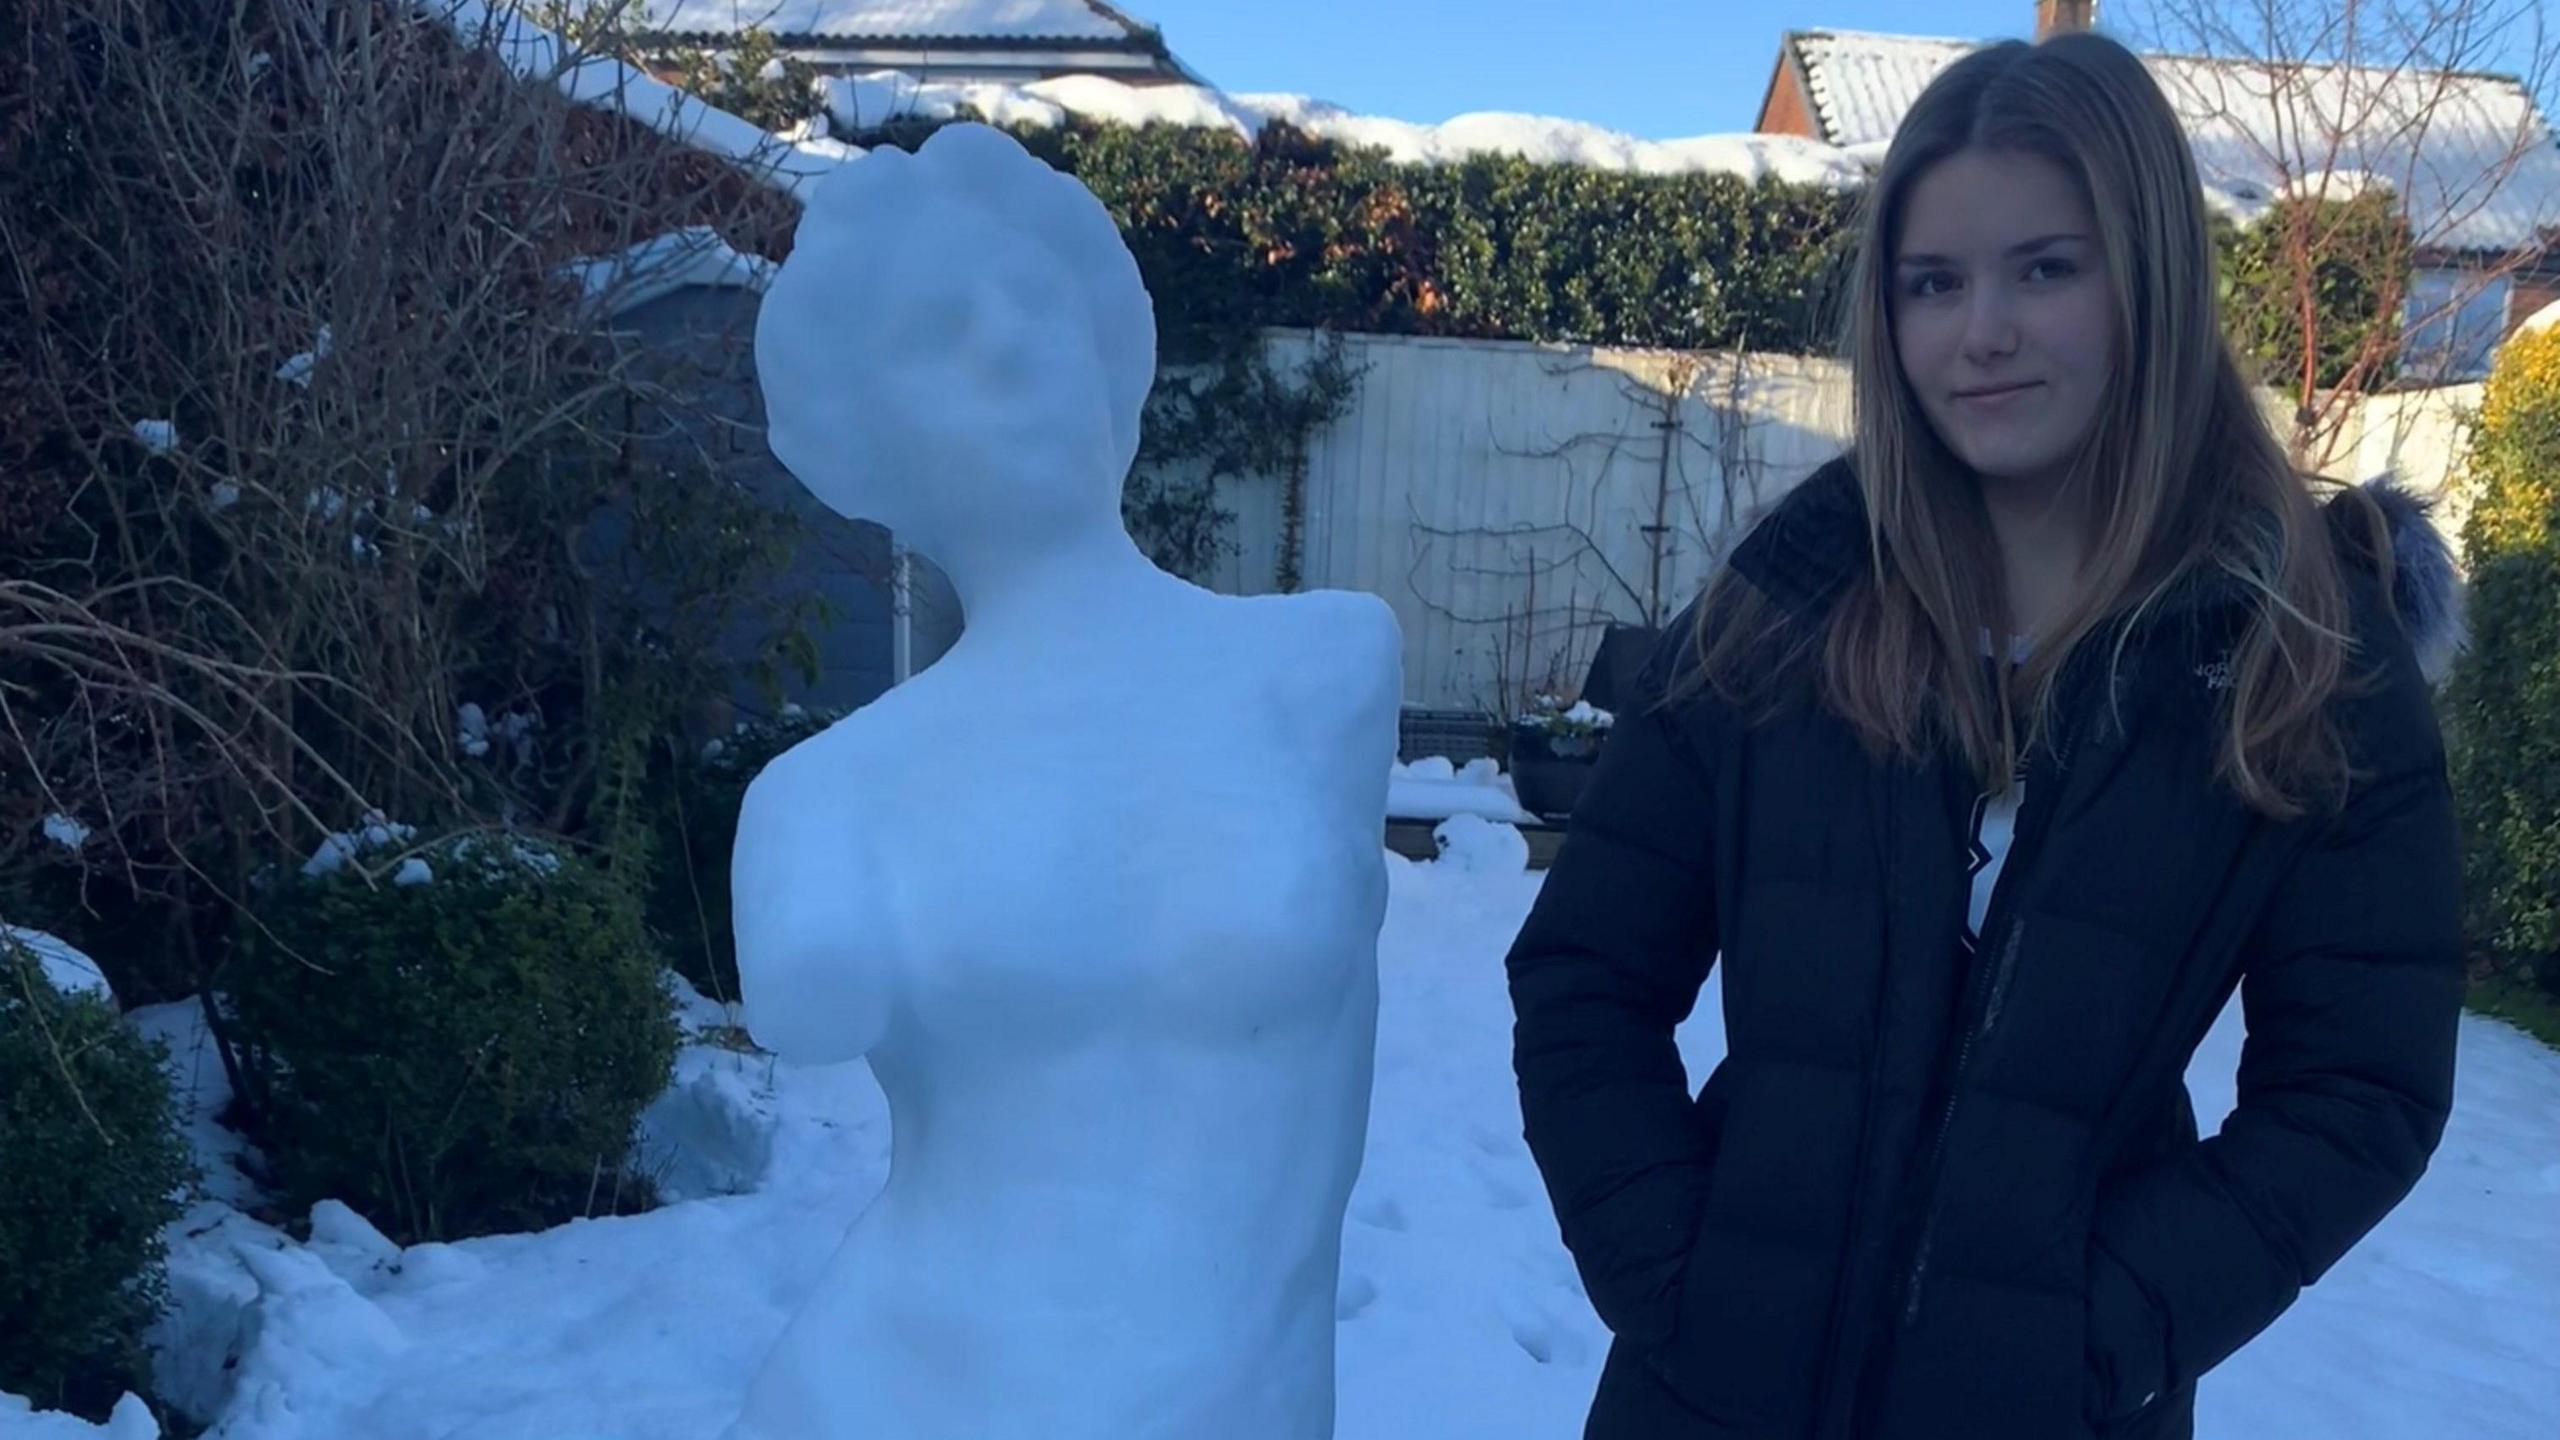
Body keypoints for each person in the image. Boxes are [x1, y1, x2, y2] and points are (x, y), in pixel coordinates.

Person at [1505, 32, 2464, 1440]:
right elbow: (1586, 974)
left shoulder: (2293, 651)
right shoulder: (1789, 604)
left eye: (2046, 268)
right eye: (1933, 283)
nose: (1982, 330)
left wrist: (2100, 1334)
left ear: (2152, 280)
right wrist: (1674, 1280)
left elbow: (2359, 1088)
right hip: (1704, 1401)